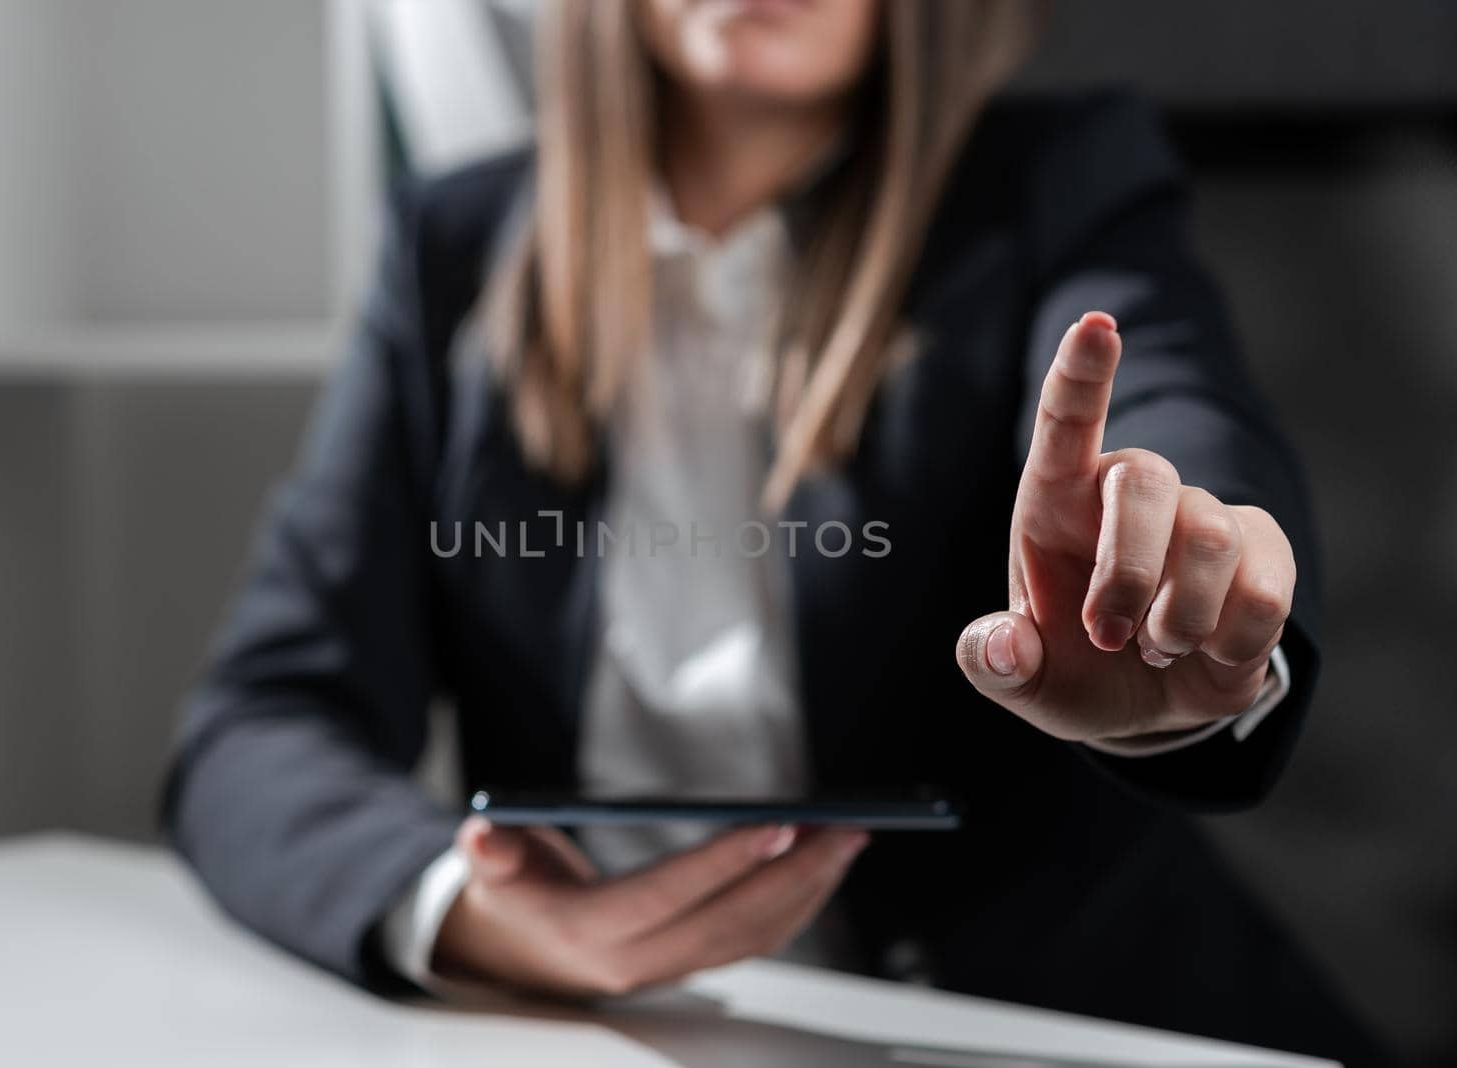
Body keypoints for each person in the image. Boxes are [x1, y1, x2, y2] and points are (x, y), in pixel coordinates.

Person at [164, 1, 1390, 1061]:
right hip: (605, 1036)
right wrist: (470, 916)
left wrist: (1184, 580)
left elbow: (1167, 402)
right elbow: (260, 719)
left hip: (1042, 1022)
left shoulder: (1055, 181)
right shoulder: (450, 247)